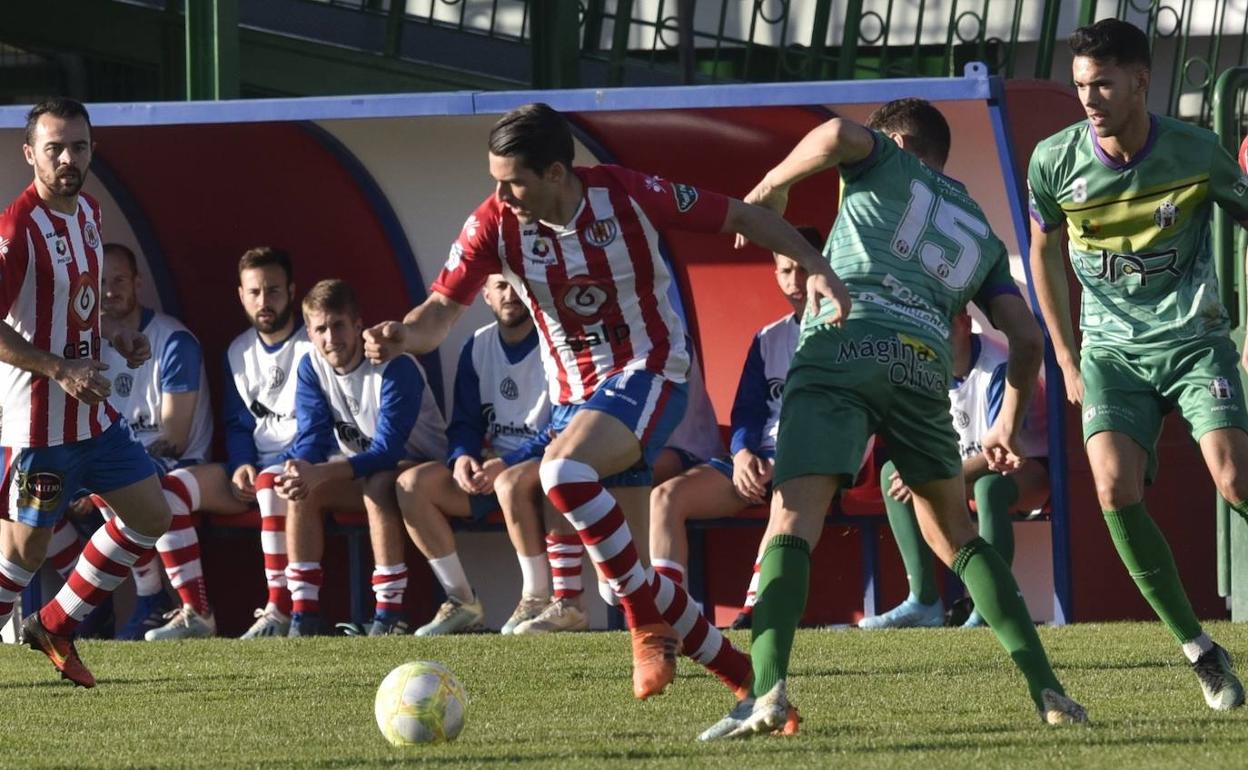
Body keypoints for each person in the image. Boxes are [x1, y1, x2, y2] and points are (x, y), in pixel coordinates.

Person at [364, 102, 844, 704]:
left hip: (650, 371)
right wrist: (402, 335)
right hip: (575, 397)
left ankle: (646, 628)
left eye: (512, 180)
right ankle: (751, 686)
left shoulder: (629, 194)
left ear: (557, 173)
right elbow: (437, 315)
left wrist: (817, 265)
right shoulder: (493, 223)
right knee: (631, 582)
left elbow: (742, 214)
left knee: (561, 470)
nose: (500, 193)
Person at [700, 97, 1087, 740]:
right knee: (959, 537)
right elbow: (1025, 336)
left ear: (900, 145)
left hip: (843, 345)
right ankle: (1048, 689)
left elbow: (833, 134)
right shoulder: (981, 231)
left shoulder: (885, 160)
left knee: (791, 521)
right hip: (920, 369)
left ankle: (765, 695)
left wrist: (769, 188)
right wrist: (1007, 424)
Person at [1028, 18, 1248, 711]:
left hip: (1192, 340)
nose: (1089, 98)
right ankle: (1202, 652)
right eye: (1080, 85)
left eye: (1102, 84)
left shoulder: (1196, 152)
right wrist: (1066, 355)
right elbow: (1043, 249)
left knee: (1236, 478)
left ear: (1140, 82)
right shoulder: (1054, 160)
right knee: (1114, 488)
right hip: (1110, 355)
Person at [0, 98, 171, 687]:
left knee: (151, 514)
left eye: (78, 146)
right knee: (21, 557)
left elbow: (78, 308)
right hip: (37, 426)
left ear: (92, 150)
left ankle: (54, 624)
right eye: (54, 148)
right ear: (31, 156)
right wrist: (56, 368)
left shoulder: (91, 213)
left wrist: (118, 334)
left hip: (93, 417)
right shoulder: (16, 228)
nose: (67, 158)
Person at [649, 227, 822, 618]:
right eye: (784, 271)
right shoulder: (768, 338)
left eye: (802, 269)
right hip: (760, 463)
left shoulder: (849, 331)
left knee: (786, 493)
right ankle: (669, 615)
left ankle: (755, 609)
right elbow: (747, 412)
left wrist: (786, 462)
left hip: (818, 464)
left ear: (822, 266)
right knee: (665, 498)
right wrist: (743, 453)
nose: (794, 282)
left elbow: (854, 420)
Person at [396, 274, 568, 635]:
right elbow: (464, 423)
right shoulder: (477, 345)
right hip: (491, 471)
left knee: (508, 482)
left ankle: (536, 597)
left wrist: (507, 462)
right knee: (411, 484)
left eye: (516, 284)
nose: (509, 294)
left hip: (538, 470)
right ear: (485, 294)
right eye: (500, 286)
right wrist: (461, 458)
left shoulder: (557, 345)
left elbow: (563, 427)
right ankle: (461, 601)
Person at [275, 279, 446, 637]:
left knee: (379, 481)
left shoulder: (394, 363)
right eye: (320, 329)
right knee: (302, 490)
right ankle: (303, 615)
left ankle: (389, 614)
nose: (330, 337)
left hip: (426, 472)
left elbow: (388, 451)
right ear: (309, 332)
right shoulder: (311, 366)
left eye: (338, 325)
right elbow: (313, 436)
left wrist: (320, 471)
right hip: (366, 468)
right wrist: (302, 467)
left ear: (357, 325)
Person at [860, 311, 1049, 630]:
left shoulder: (998, 366)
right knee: (894, 473)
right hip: (965, 470)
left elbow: (1000, 453)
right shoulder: (922, 367)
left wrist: (933, 476)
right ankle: (923, 601)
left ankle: (990, 604)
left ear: (963, 322)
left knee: (989, 488)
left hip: (1027, 467)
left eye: (941, 326)